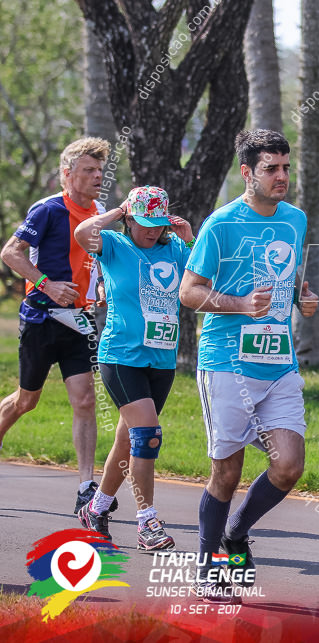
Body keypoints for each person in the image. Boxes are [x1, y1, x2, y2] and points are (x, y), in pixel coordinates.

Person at [179, 129, 318, 602]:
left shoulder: (296, 219)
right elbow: (189, 291)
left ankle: (235, 533)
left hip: (278, 361)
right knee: (227, 472)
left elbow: (290, 272)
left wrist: (301, 297)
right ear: (247, 173)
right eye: (271, 169)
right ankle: (205, 567)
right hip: (227, 362)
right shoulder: (221, 225)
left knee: (288, 466)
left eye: (285, 167)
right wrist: (240, 304)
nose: (282, 176)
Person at [0, 137, 117, 514]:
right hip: (40, 317)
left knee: (84, 400)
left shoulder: (101, 212)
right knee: (27, 401)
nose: (97, 176)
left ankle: (86, 486)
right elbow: (10, 253)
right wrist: (47, 283)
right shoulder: (47, 210)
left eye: (100, 170)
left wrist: (99, 287)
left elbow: (99, 260)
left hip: (78, 322)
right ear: (67, 175)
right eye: (88, 170)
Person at [73, 186, 193, 550]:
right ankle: (147, 523)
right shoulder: (113, 245)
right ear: (129, 218)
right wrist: (115, 212)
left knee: (128, 439)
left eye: (158, 223)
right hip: (121, 356)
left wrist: (191, 238)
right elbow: (81, 234)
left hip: (162, 359)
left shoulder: (175, 250)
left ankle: (97, 508)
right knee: (148, 436)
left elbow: (206, 277)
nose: (151, 230)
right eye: (143, 222)